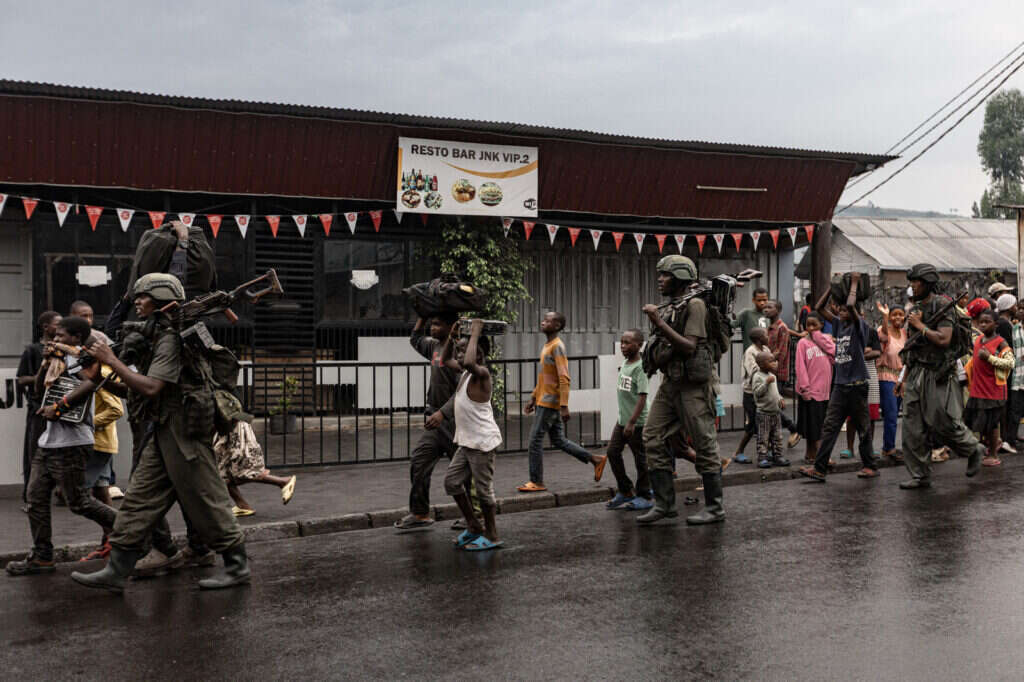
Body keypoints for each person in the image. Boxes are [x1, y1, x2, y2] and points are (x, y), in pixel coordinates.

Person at [71, 273, 250, 592]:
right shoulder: (156, 335)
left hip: (184, 431)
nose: (136, 302)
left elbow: (153, 387)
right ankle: (117, 569)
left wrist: (111, 360)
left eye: (142, 296)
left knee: (207, 498)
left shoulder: (169, 338)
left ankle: (237, 566)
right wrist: (102, 378)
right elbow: (139, 391)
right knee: (139, 498)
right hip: (165, 429)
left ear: (160, 298)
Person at [6, 316, 119, 576]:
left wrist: (60, 407)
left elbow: (91, 384)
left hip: (72, 443)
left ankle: (134, 529)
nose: (54, 340)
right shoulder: (55, 360)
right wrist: (45, 365)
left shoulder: (83, 359)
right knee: (35, 500)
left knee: (79, 502)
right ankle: (42, 557)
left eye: (60, 336)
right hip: (48, 442)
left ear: (76, 338)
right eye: (53, 336)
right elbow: (37, 393)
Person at [637, 256, 724, 525]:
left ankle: (714, 508)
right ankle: (664, 504)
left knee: (704, 443)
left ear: (680, 278)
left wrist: (658, 322)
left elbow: (689, 346)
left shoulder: (695, 305)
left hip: (694, 387)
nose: (660, 280)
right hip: (671, 384)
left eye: (665, 275)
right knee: (651, 435)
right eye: (660, 274)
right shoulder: (673, 306)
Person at [897, 264, 985, 489]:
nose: (913, 286)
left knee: (942, 422)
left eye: (916, 282)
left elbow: (944, 339)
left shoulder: (943, 306)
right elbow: (912, 347)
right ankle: (920, 474)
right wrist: (902, 379)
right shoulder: (915, 308)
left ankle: (973, 449)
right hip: (917, 371)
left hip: (939, 374)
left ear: (927, 283)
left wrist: (920, 326)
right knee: (912, 426)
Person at [427, 319, 503, 551]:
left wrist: (476, 331)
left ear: (481, 355)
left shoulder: (482, 375)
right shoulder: (465, 375)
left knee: (483, 491)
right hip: (466, 442)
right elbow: (444, 360)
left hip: (482, 443)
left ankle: (491, 535)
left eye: (465, 350)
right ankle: (473, 525)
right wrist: (451, 333)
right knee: (452, 483)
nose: (461, 355)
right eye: (459, 350)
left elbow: (469, 361)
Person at [798, 275, 881, 482]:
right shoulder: (839, 327)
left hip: (857, 386)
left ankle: (870, 465)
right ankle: (819, 468)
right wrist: (831, 288)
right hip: (840, 386)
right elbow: (818, 306)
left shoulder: (860, 327)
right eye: (840, 310)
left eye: (845, 310)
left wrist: (853, 284)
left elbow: (852, 307)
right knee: (830, 427)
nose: (841, 312)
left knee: (863, 428)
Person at [394, 313, 472, 530]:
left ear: (451, 326)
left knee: (465, 471)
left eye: (437, 324)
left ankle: (474, 517)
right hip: (435, 421)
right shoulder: (434, 346)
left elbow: (464, 390)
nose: (432, 328)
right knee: (419, 461)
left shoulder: (461, 350)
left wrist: (443, 414)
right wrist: (422, 315)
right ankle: (419, 513)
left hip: (455, 422)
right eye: (432, 324)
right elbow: (415, 339)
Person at [518, 311, 606, 492]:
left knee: (535, 440)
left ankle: (537, 481)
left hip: (550, 402)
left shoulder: (557, 346)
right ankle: (595, 459)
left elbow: (564, 377)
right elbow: (544, 378)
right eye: (543, 319)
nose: (543, 322)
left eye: (547, 320)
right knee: (558, 440)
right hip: (544, 399)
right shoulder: (548, 346)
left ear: (557, 326)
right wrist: (533, 397)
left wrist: (564, 406)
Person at [79, 365, 125, 562]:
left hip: (97, 443)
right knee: (100, 490)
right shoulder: (89, 372)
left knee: (75, 494)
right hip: (100, 442)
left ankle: (122, 533)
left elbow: (116, 409)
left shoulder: (102, 374)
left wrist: (87, 423)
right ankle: (111, 542)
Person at [16, 311, 61, 510]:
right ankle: (31, 496)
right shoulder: (32, 351)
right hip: (38, 409)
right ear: (45, 327)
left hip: (60, 408)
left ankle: (61, 493)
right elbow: (21, 379)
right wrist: (42, 376)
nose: (60, 329)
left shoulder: (64, 350)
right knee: (34, 453)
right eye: (56, 325)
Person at [605, 329, 653, 511]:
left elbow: (642, 397)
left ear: (639, 346)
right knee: (612, 452)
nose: (623, 346)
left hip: (636, 422)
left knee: (640, 459)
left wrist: (632, 422)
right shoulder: (626, 363)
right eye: (622, 342)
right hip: (623, 420)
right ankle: (625, 490)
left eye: (627, 343)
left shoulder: (640, 367)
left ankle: (645, 495)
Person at [963, 308, 1014, 467]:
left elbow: (1010, 363)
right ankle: (989, 447)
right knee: (980, 423)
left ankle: (993, 454)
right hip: (978, 389)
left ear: (996, 324)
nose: (983, 325)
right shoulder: (978, 340)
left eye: (987, 322)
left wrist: (990, 358)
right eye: (981, 322)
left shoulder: (1001, 343)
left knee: (992, 424)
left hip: (994, 391)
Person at [213, 420, 297, 516]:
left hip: (233, 430)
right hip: (226, 430)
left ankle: (283, 482)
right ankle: (242, 506)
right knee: (223, 472)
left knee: (241, 470)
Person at [794, 312, 834, 466]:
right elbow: (800, 367)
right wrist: (805, 389)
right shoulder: (803, 343)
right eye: (808, 325)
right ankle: (820, 456)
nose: (810, 328)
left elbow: (834, 355)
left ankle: (810, 455)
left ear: (821, 325)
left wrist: (821, 338)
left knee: (818, 424)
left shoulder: (826, 341)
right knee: (814, 426)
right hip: (810, 391)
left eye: (814, 325)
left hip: (824, 391)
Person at [763, 299, 801, 447]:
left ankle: (793, 428)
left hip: (776, 372)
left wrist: (767, 361)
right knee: (770, 407)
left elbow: (781, 352)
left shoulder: (782, 328)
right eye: (765, 307)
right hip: (769, 370)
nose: (766, 309)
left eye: (770, 307)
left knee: (772, 407)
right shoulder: (770, 327)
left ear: (778, 311)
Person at [734, 327, 770, 464]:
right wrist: (768, 367)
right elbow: (753, 371)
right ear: (759, 339)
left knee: (767, 421)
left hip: (764, 391)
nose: (768, 337)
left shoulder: (766, 350)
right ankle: (739, 451)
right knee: (753, 425)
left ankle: (768, 451)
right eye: (765, 335)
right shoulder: (750, 352)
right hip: (751, 393)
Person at [875, 302, 906, 460]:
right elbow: (883, 336)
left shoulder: (904, 333)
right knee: (891, 413)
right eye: (895, 314)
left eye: (900, 314)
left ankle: (890, 445)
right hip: (886, 376)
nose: (898, 317)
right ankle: (888, 448)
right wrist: (885, 316)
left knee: (898, 413)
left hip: (901, 377)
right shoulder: (883, 329)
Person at [751, 351, 790, 468]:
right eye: (771, 361)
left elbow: (775, 393)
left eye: (775, 360)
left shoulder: (772, 375)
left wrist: (780, 399)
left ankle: (778, 456)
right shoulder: (758, 376)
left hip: (775, 412)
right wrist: (766, 383)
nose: (775, 363)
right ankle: (762, 458)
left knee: (777, 436)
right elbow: (757, 393)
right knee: (763, 437)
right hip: (764, 413)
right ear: (762, 364)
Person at [994, 293, 1017, 455]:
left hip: (1005, 368)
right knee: (1006, 404)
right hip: (1005, 369)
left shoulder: (1006, 323)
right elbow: (1008, 348)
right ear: (1009, 307)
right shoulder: (1004, 325)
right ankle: (1004, 437)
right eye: (1015, 305)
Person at [733, 287, 769, 352]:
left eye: (764, 300)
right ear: (753, 300)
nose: (762, 303)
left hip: (767, 356)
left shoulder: (770, 315)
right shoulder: (746, 313)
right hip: (751, 355)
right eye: (759, 300)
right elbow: (732, 324)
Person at [1010, 304, 1024, 451]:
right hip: (1018, 375)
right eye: (1020, 308)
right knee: (1016, 409)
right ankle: (1011, 439)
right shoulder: (1014, 329)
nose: (1021, 311)